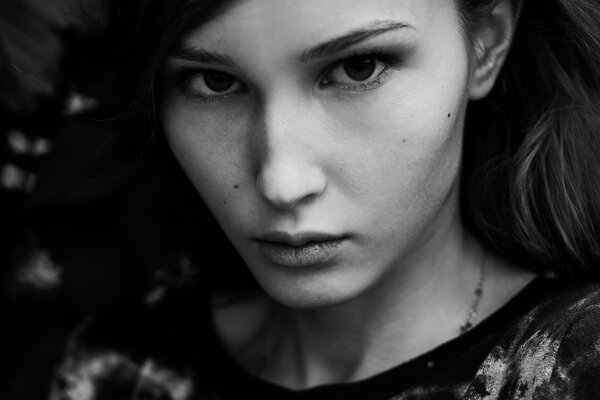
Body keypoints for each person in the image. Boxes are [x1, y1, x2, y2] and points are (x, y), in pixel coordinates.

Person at [48, 0, 600, 399]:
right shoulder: (116, 369)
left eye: (357, 67)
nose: (282, 182)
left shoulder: (578, 366)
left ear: (487, 45)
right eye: (212, 82)